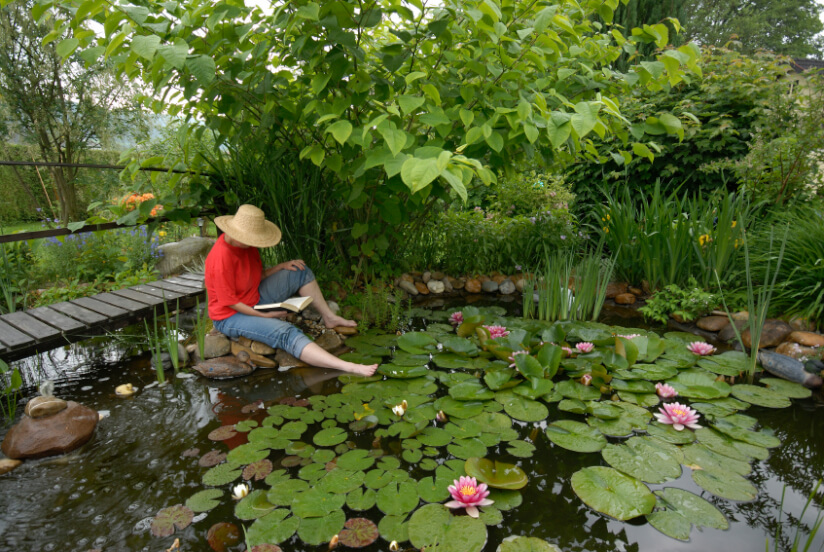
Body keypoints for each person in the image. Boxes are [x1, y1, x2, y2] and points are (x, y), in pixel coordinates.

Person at [204, 204, 378, 376]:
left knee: (299, 271)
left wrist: (281, 266)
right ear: (236, 233)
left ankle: (329, 317)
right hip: (229, 316)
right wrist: (265, 316)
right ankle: (347, 366)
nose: (253, 243)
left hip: (253, 297)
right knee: (285, 331)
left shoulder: (247, 246)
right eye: (250, 239)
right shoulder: (220, 258)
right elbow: (230, 302)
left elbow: (257, 276)